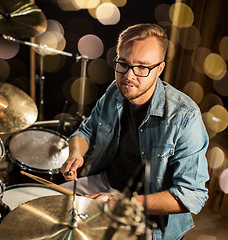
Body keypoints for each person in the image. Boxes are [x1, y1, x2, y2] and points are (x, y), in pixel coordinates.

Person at [60, 23, 210, 240]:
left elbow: (191, 196)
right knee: (50, 207)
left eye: (142, 67)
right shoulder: (115, 90)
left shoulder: (185, 117)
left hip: (148, 211)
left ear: (159, 69)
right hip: (106, 183)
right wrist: (75, 154)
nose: (129, 76)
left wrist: (122, 203)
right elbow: (86, 131)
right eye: (123, 64)